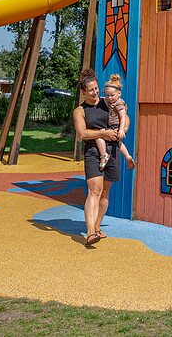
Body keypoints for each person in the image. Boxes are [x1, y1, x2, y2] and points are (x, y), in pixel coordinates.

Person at [72, 69, 121, 246]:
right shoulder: (80, 111)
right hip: (93, 152)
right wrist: (103, 133)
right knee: (94, 190)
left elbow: (124, 115)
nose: (95, 92)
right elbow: (82, 133)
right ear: (83, 92)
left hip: (112, 151)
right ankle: (90, 231)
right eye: (91, 90)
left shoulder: (108, 102)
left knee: (105, 192)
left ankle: (97, 226)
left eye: (96, 88)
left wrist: (123, 129)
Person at [97, 75, 136, 171]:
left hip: (116, 126)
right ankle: (127, 156)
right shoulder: (109, 101)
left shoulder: (119, 103)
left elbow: (123, 117)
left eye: (112, 95)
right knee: (118, 143)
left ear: (119, 93)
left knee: (99, 135)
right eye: (107, 95)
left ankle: (103, 155)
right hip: (112, 126)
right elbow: (103, 99)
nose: (109, 98)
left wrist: (122, 129)